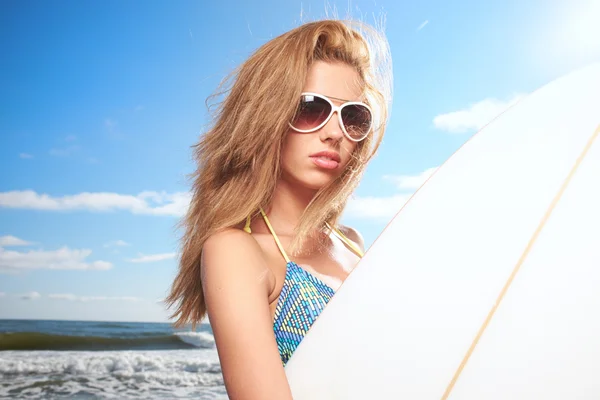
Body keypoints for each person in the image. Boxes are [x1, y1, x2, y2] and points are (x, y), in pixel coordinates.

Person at [166, 18, 393, 399]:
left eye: (353, 116)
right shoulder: (236, 250)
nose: (335, 132)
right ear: (265, 117)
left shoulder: (353, 243)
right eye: (311, 108)